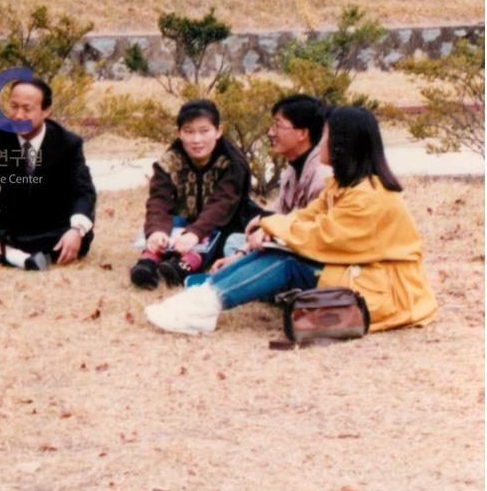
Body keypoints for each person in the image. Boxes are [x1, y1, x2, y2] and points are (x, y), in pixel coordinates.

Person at [145, 106, 438, 335]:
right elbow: (304, 217)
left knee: (289, 261)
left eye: (325, 136)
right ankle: (205, 295)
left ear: (342, 145)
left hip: (385, 287)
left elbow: (322, 238)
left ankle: (205, 304)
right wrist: (267, 225)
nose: (320, 142)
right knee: (275, 249)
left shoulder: (370, 195)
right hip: (359, 271)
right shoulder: (347, 185)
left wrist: (271, 225)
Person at [0, 78, 96, 270]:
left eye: (27, 109)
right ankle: (19, 257)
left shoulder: (68, 143)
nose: (18, 115)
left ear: (46, 111)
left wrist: (76, 231)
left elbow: (84, 192)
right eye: (14, 106)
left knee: (81, 235)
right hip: (10, 221)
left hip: (51, 223)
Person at [129, 99, 252, 289]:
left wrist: (195, 232)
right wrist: (156, 231)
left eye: (204, 131)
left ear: (218, 131)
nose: (196, 140)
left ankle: (183, 267)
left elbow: (222, 204)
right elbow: (159, 200)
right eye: (189, 132)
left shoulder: (232, 163)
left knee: (214, 235)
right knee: (169, 226)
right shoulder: (169, 162)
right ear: (179, 133)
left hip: (222, 224)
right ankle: (147, 263)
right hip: (183, 221)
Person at [210, 93, 331, 272]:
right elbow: (277, 215)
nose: (270, 132)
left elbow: (310, 233)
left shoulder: (322, 175)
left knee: (272, 256)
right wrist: (240, 254)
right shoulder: (291, 171)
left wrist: (269, 231)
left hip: (311, 255)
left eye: (278, 125)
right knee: (235, 241)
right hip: (287, 243)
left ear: (303, 133)